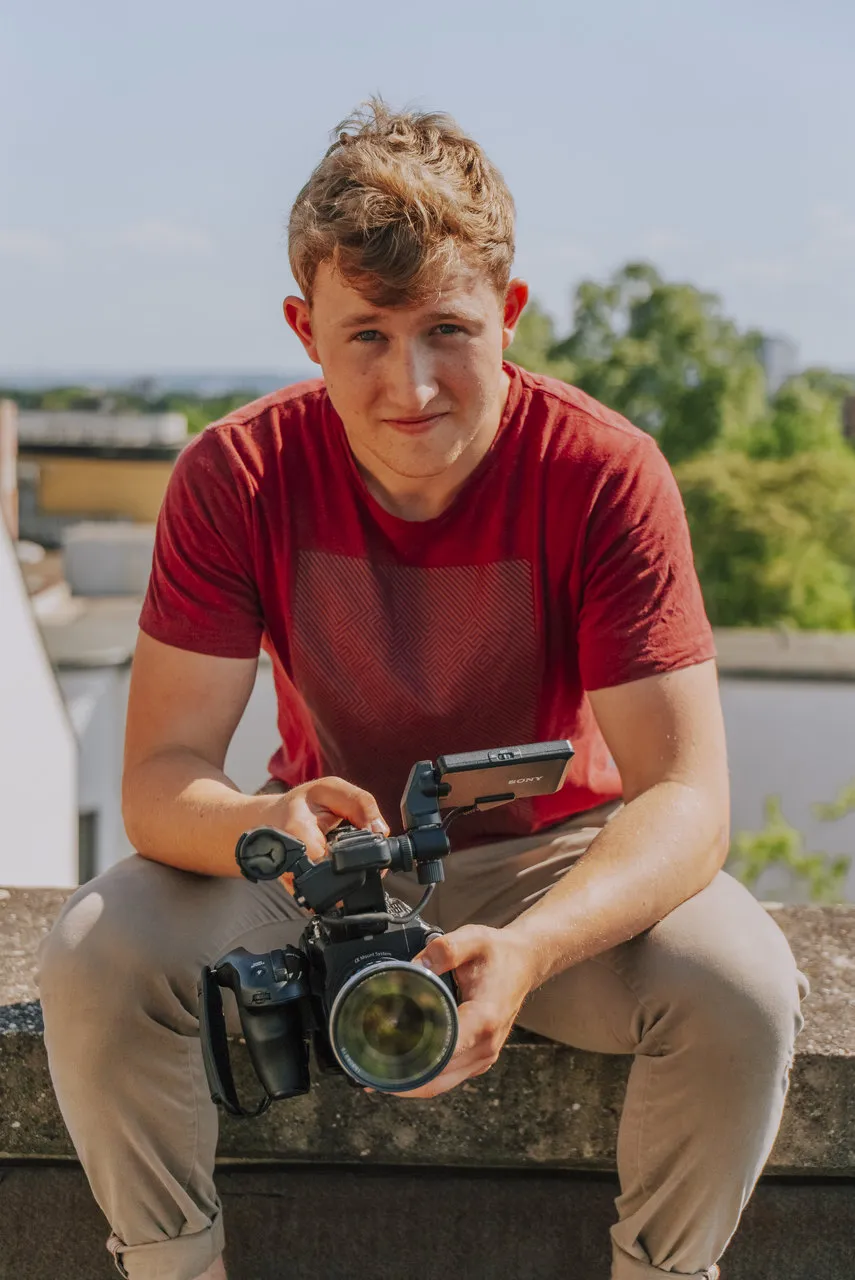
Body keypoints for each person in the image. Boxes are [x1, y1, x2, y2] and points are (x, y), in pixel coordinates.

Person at [38, 100, 807, 1280]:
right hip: (323, 866)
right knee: (94, 951)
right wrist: (260, 825)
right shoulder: (233, 474)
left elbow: (687, 796)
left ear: (509, 312)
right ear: (305, 327)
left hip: (557, 859)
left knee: (744, 990)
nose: (413, 385)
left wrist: (534, 948)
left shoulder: (604, 471)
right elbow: (156, 778)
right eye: (368, 335)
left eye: (448, 328)